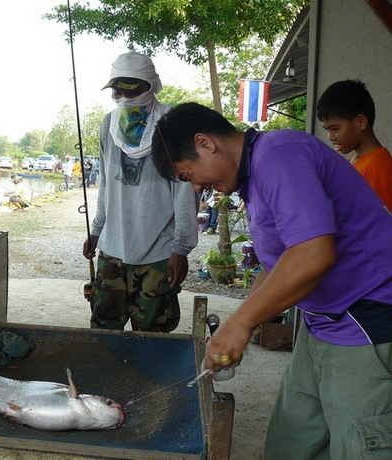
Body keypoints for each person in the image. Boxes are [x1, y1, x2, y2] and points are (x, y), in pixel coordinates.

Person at [151, 102, 392, 459]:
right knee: (291, 441)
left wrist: (243, 322)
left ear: (205, 142)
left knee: (360, 445)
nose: (199, 188)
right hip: (322, 322)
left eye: (191, 176)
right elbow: (277, 264)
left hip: (364, 320)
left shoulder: (280, 154)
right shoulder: (251, 177)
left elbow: (313, 253)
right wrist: (240, 320)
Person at [82, 51, 198, 333]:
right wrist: (96, 230)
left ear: (150, 85)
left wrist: (180, 248)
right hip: (111, 250)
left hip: (157, 254)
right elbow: (106, 183)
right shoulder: (108, 124)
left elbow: (185, 190)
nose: (123, 97)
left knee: (153, 337)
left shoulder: (172, 123)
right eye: (117, 90)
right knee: (103, 331)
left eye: (131, 89)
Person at [316, 79, 392, 211]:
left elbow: (383, 225)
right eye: (327, 130)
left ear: (361, 122)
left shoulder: (379, 166)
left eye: (335, 129)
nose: (330, 137)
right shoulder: (356, 158)